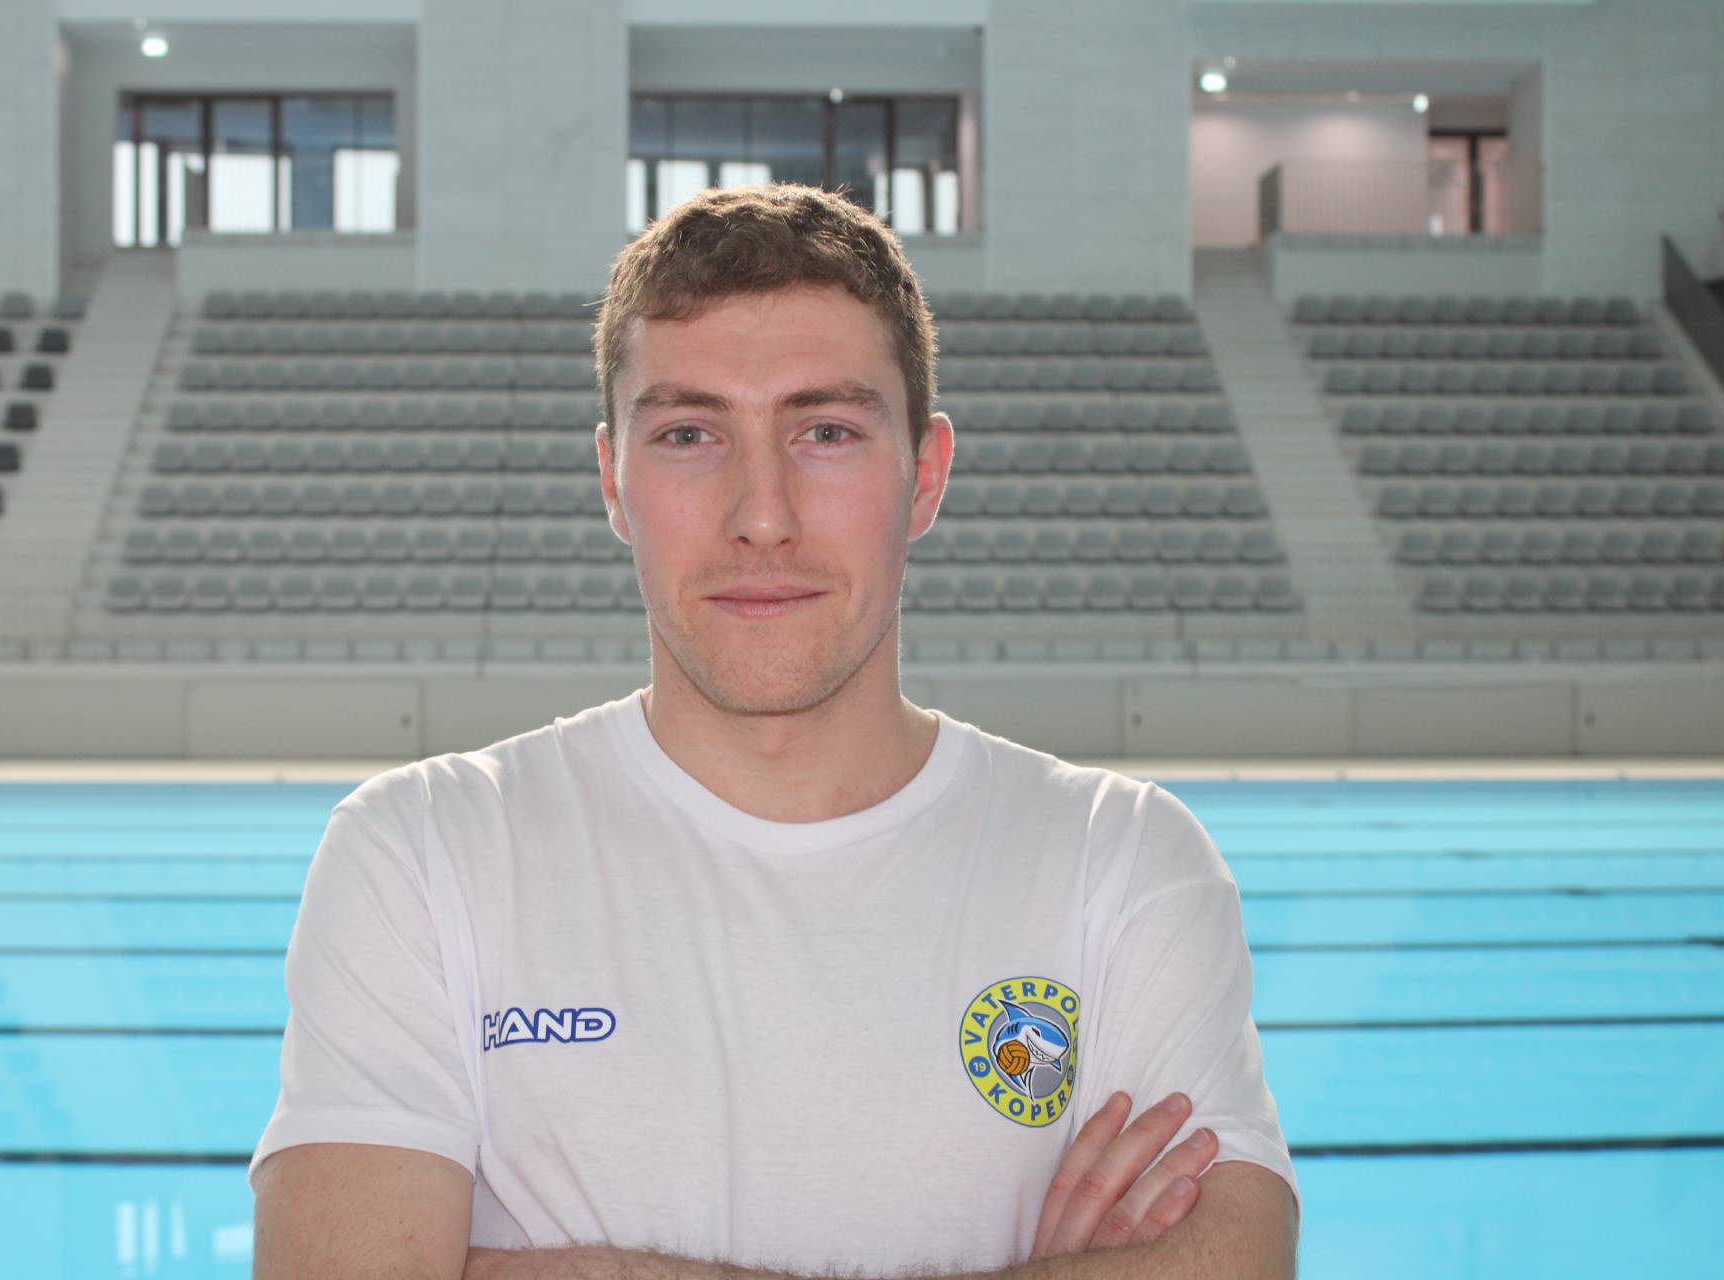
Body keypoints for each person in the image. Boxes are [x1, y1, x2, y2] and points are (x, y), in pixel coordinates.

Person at [248, 183, 1300, 1279]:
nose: (762, 514)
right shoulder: (424, 852)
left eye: (827, 431)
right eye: (689, 433)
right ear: (613, 478)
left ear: (926, 474)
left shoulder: (1122, 863)